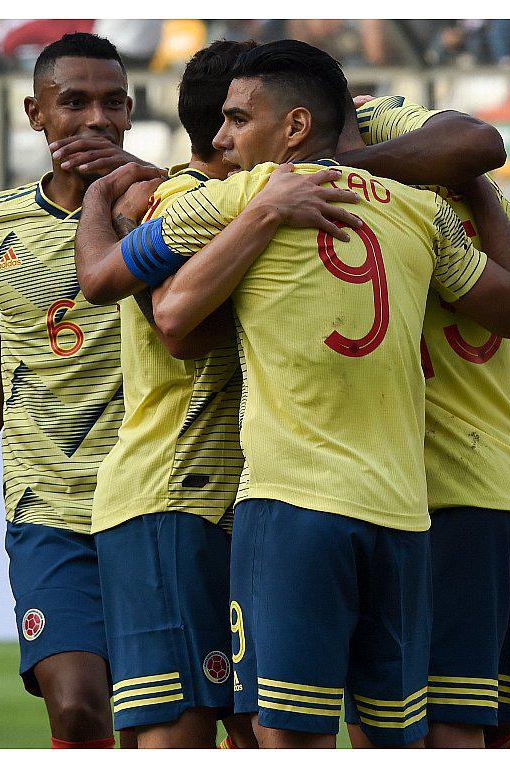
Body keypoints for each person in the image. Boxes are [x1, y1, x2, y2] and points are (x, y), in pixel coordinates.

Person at [82, 39, 510, 748]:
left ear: (293, 128)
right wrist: (476, 184)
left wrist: (100, 205)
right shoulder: (420, 209)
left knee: (289, 740)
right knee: (397, 741)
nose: (222, 140)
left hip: (294, 509)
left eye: (238, 120)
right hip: (401, 514)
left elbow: (134, 295)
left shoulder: (242, 197)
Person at [73, 40, 359, 748]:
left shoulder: (249, 198)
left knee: (265, 727)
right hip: (172, 496)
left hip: (242, 506)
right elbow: (178, 329)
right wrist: (101, 201)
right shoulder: (182, 202)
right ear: (230, 125)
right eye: (235, 114)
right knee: (182, 733)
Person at [352, 92, 510, 749]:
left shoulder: (400, 159)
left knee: (455, 706)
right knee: (463, 705)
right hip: (484, 439)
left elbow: (481, 147)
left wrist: (470, 193)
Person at [0, 32, 150, 749]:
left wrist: (145, 184)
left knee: (175, 721)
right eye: (74, 102)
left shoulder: (182, 208)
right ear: (35, 113)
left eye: (112, 103)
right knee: (79, 708)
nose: (95, 120)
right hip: (48, 503)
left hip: (164, 497)